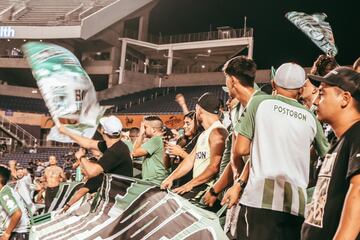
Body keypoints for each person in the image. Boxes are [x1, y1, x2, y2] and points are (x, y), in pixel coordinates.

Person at [222, 63, 329, 240]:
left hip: (259, 199)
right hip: (296, 204)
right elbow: (327, 155)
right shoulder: (310, 116)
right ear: (301, 88)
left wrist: (265, 144)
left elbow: (240, 149)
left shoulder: (259, 102)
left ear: (273, 84)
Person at [301, 67, 360, 240]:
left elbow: (358, 191)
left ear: (345, 98)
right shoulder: (343, 140)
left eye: (322, 94)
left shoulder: (357, 135)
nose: (316, 101)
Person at [161, 92, 228, 203]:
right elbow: (189, 160)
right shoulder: (204, 134)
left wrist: (188, 185)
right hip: (198, 185)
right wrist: (171, 178)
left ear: (200, 110)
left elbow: (214, 167)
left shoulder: (218, 132)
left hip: (208, 189)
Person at [58, 115, 133, 179]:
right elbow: (89, 143)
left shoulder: (114, 151)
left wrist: (81, 157)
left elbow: (92, 172)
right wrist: (66, 132)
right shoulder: (114, 145)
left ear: (102, 130)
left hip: (118, 193)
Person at [166, 111, 203, 187]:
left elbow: (199, 163)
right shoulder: (181, 140)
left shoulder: (200, 139)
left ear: (197, 124)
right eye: (184, 123)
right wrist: (166, 151)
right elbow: (167, 165)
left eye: (188, 123)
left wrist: (181, 153)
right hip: (175, 183)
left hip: (189, 185)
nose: (184, 126)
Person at [132, 116, 169, 184]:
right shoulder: (161, 139)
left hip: (154, 181)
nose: (143, 129)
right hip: (158, 180)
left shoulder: (156, 140)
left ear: (153, 129)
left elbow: (134, 153)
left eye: (145, 127)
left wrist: (141, 133)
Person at [0, 166, 30, 240]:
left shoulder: (4, 192)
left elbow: (17, 213)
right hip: (17, 233)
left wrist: (7, 233)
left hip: (16, 234)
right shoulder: (6, 190)